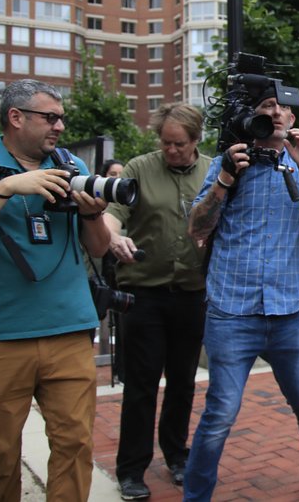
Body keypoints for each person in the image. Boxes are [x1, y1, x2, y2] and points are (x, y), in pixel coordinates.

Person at [183, 89, 299, 502]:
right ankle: (196, 495)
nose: (275, 113)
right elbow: (197, 229)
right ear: (252, 118)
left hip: (287, 312)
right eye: (266, 108)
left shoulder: (298, 166)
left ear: (292, 118)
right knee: (220, 414)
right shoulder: (230, 164)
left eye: (282, 107)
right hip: (232, 313)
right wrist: (223, 180)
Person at [0, 79, 110, 501]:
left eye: (61, 118)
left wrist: (94, 215)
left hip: (70, 327)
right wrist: (4, 188)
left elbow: (98, 247)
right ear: (15, 118)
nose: (59, 126)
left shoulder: (68, 163)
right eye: (49, 117)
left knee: (75, 446)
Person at [103, 103, 211, 500]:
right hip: (144, 295)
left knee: (183, 383)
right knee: (141, 386)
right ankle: (131, 470)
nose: (171, 150)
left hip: (191, 295)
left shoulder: (211, 170)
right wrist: (113, 236)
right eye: (165, 143)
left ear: (196, 140)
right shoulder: (138, 168)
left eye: (179, 144)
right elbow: (114, 212)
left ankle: (177, 456)